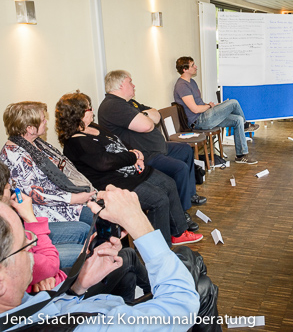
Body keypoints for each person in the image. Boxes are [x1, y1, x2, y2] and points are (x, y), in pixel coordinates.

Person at [0, 186, 204, 331]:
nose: (33, 249)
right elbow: (181, 307)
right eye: (26, 245)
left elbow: (43, 311)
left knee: (192, 266)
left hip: (91, 304)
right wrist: (138, 222)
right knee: (200, 287)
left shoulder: (6, 312)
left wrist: (77, 287)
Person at [56, 91, 202, 245]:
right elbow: (105, 162)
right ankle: (159, 249)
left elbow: (118, 141)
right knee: (159, 200)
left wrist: (135, 153)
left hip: (129, 170)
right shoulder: (74, 142)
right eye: (88, 108)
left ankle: (178, 232)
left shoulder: (93, 126)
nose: (92, 110)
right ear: (77, 114)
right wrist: (132, 157)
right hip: (114, 181)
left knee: (169, 184)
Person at [97, 70, 206, 220]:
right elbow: (147, 126)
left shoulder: (130, 103)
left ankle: (189, 194)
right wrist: (146, 117)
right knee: (179, 168)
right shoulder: (112, 106)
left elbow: (156, 114)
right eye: (130, 82)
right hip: (143, 155)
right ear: (121, 85)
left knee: (185, 149)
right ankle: (181, 212)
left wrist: (145, 116)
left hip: (157, 147)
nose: (134, 85)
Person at [0, 102, 95, 268]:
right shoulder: (15, 154)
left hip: (59, 201)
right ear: (30, 128)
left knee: (99, 215)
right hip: (42, 211)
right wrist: (72, 198)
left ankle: (109, 268)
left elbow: (61, 169)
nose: (46, 122)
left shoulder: (36, 143)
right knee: (93, 221)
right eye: (43, 120)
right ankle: (96, 274)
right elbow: (36, 194)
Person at [174, 56, 259, 164]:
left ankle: (240, 155)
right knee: (233, 102)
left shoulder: (192, 82)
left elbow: (198, 103)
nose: (196, 67)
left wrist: (212, 105)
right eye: (192, 65)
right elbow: (195, 109)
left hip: (205, 116)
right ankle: (246, 125)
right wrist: (210, 106)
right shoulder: (182, 86)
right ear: (184, 69)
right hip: (199, 121)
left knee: (237, 119)